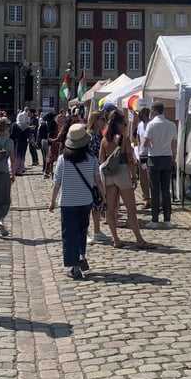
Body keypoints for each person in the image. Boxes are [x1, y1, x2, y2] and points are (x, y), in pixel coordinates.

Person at [48, 123, 105, 280]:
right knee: (81, 231)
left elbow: (57, 182)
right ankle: (81, 254)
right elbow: (98, 180)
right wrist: (103, 196)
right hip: (85, 200)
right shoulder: (91, 159)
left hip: (68, 201)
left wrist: (52, 201)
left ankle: (74, 267)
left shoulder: (62, 160)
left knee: (69, 234)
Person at [99, 110, 152, 249]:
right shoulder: (123, 138)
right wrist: (134, 176)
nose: (125, 125)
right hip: (122, 172)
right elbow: (129, 158)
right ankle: (139, 239)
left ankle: (115, 239)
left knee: (111, 209)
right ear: (118, 124)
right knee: (130, 208)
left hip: (109, 175)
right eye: (124, 123)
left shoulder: (105, 140)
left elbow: (101, 160)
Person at [143, 102, 176, 227]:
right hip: (167, 157)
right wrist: (174, 159)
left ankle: (155, 219)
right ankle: (167, 219)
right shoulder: (172, 125)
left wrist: (151, 142)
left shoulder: (151, 125)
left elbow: (145, 143)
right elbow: (173, 144)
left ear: (155, 111)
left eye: (152, 110)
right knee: (166, 190)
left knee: (155, 190)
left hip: (154, 158)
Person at [86, 110, 110, 240]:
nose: (104, 122)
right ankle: (85, 232)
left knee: (96, 204)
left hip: (98, 173)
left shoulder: (100, 135)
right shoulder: (89, 136)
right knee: (88, 205)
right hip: (89, 174)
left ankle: (97, 231)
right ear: (96, 120)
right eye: (102, 119)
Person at [133, 107, 152, 209]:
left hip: (151, 155)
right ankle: (147, 200)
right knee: (143, 178)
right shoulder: (139, 125)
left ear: (145, 113)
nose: (138, 115)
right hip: (142, 155)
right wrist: (138, 151)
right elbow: (137, 139)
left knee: (152, 178)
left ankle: (158, 199)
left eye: (139, 113)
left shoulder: (151, 124)